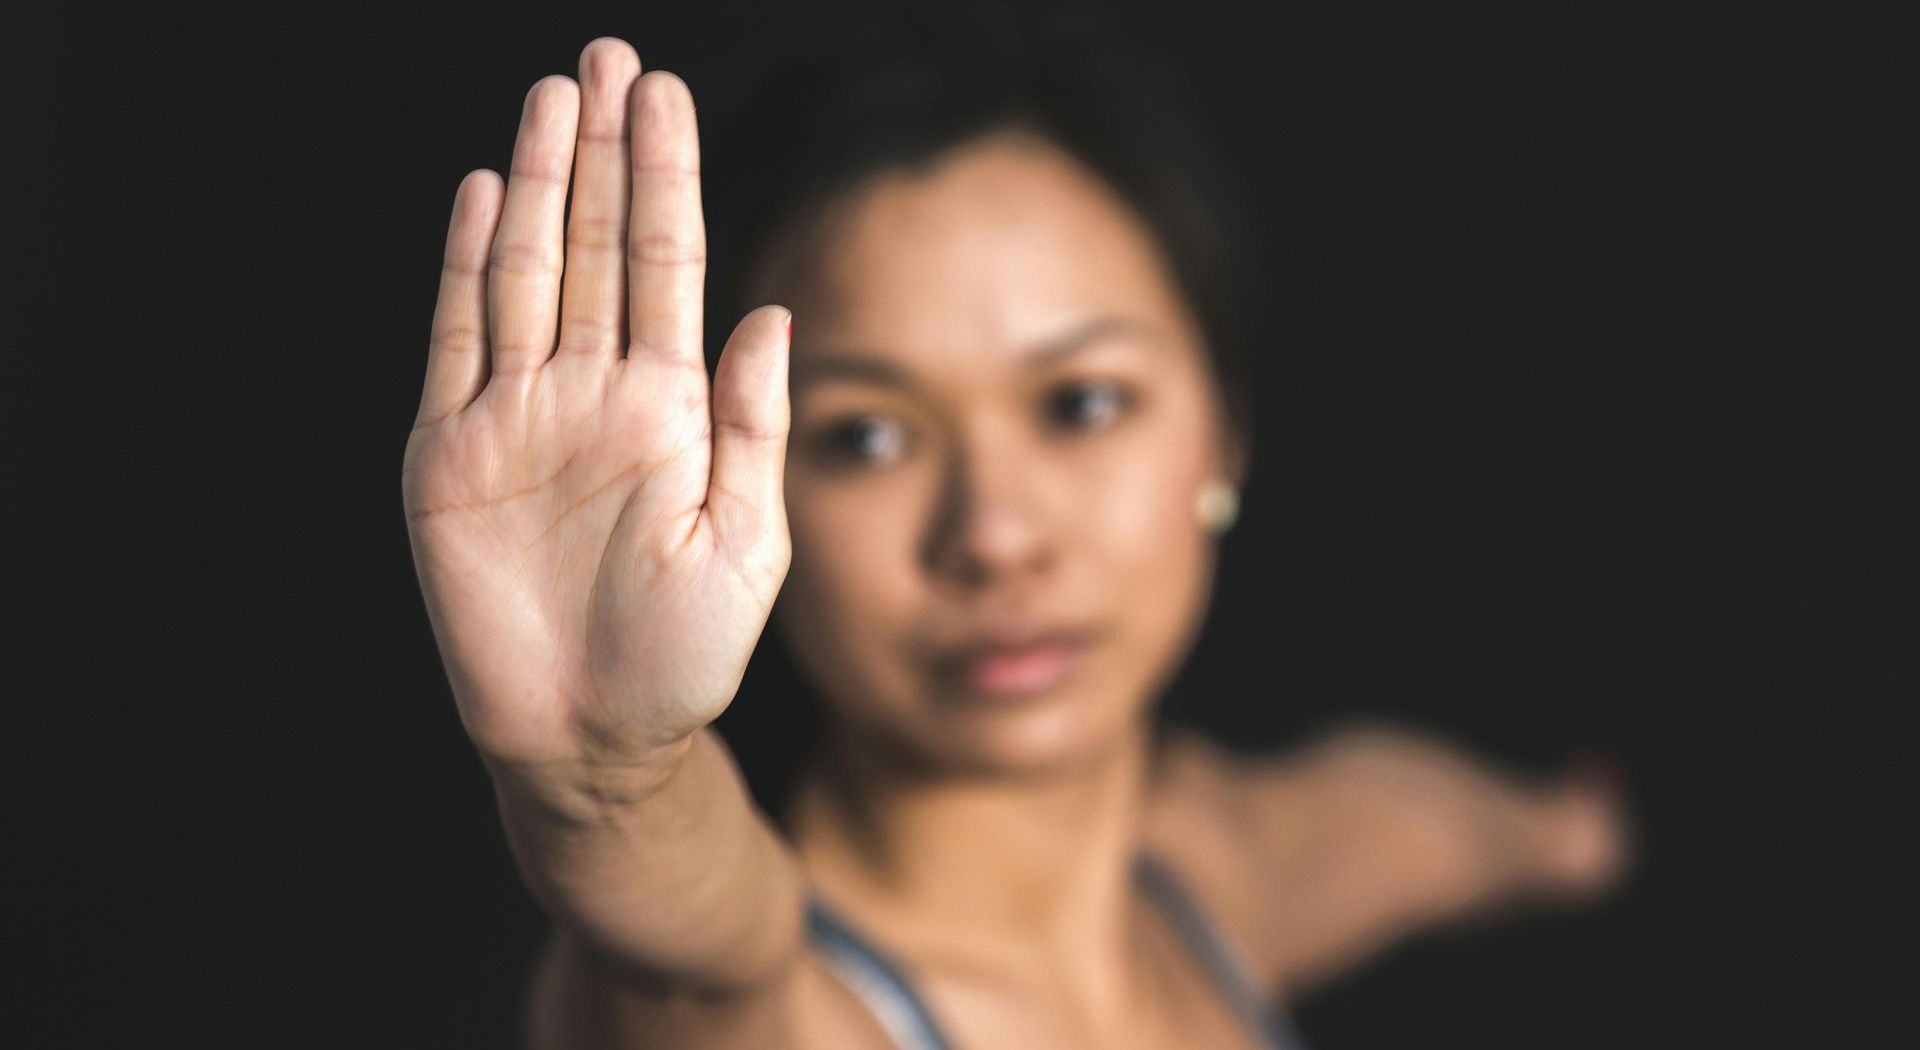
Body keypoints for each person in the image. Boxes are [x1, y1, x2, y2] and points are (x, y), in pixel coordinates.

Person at [400, 15, 1628, 1048]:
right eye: (865, 437)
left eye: (1082, 404)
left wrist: (1558, 836)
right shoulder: (776, 1011)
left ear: (1226, 435)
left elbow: (1402, 819)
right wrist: (606, 784)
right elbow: (691, 956)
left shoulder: (1210, 871)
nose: (993, 533)